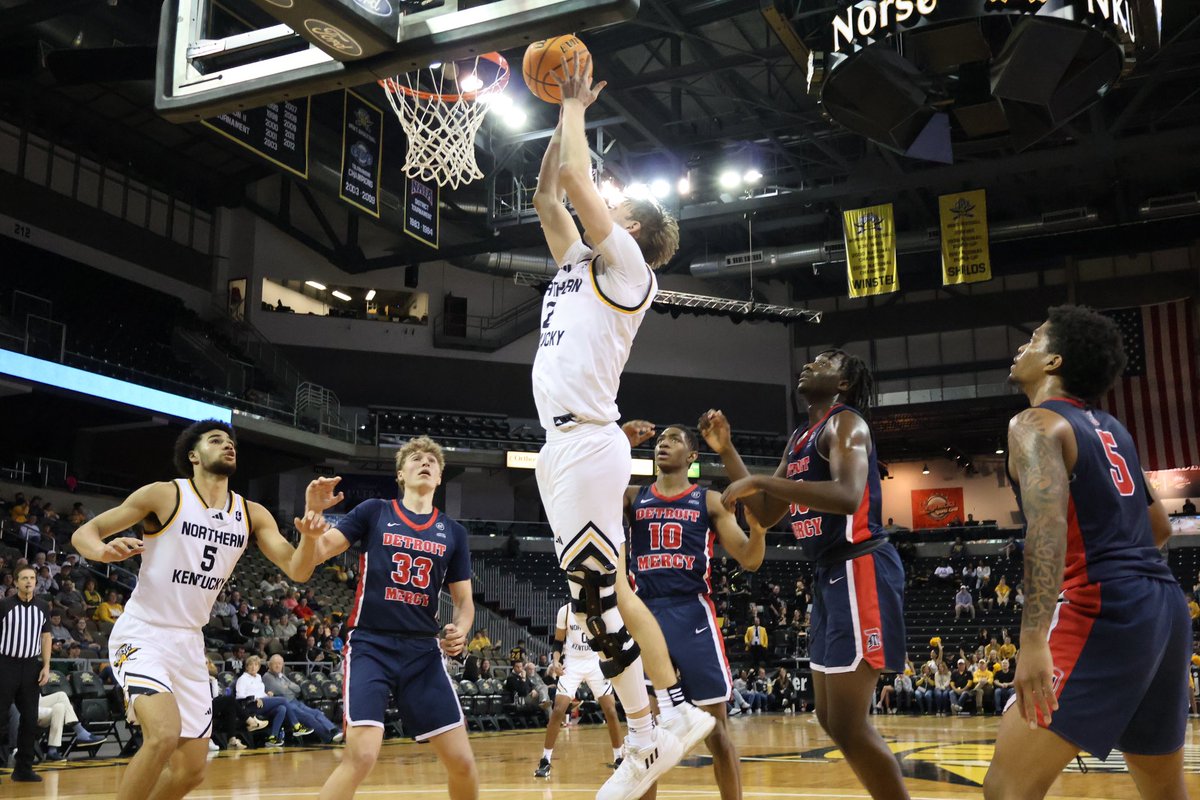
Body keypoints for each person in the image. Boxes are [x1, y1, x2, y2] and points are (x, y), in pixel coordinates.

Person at [529, 51, 708, 800]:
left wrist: (573, 105)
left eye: (615, 203)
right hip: (558, 445)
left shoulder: (631, 268)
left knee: (595, 597)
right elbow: (549, 193)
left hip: (589, 443)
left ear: (629, 227)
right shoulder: (578, 263)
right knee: (592, 598)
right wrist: (556, 113)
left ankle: (650, 731)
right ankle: (653, 723)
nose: (605, 201)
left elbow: (577, 180)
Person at [983, 306, 1189, 800]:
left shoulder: (1033, 423)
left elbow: (1047, 526)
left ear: (1053, 361)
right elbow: (1159, 526)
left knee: (1006, 790)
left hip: (1104, 607)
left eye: (1032, 338)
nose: (1021, 347)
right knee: (1164, 791)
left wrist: (1033, 641)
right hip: (1164, 608)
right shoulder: (1112, 428)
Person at [71, 420, 320, 800]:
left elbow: (299, 568)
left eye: (231, 440)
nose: (228, 445)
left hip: (189, 642)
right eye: (216, 440)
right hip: (144, 632)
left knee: (191, 772)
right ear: (193, 456)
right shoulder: (164, 495)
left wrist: (310, 536)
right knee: (163, 736)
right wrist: (102, 551)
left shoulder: (252, 513)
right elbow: (83, 533)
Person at [701, 347, 908, 800]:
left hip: (861, 565)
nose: (811, 364)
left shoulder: (846, 423)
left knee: (850, 723)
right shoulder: (800, 435)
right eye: (810, 359)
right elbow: (767, 512)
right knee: (831, 720)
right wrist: (728, 451)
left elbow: (849, 495)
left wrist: (762, 481)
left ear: (844, 383)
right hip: (829, 572)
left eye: (825, 361)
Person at [291, 436, 478, 800]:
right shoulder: (375, 511)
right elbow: (320, 552)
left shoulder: (454, 533)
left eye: (432, 461)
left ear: (439, 478)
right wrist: (312, 532)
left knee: (463, 762)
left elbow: (464, 601)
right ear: (400, 474)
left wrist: (463, 628)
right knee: (361, 756)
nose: (425, 463)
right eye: (415, 459)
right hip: (370, 645)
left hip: (423, 652)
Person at [624, 423, 768, 800]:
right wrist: (621, 442)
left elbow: (750, 560)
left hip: (692, 615)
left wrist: (758, 532)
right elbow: (589, 489)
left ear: (692, 456)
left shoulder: (709, 500)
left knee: (715, 731)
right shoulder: (631, 497)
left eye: (673, 440)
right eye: (659, 441)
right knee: (647, 738)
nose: (663, 445)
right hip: (645, 614)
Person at [535, 601, 625, 778]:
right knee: (558, 710)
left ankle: (619, 758)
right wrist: (555, 661)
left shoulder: (599, 608)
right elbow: (558, 642)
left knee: (611, 711)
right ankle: (545, 760)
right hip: (573, 664)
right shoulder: (566, 611)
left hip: (595, 662)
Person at [0, 565, 51, 783]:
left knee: (30, 719)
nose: (29, 582)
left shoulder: (42, 606)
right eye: (24, 578)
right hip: (5, 664)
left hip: (31, 666)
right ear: (16, 582)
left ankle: (23, 768)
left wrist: (46, 666)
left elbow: (46, 636)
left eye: (32, 578)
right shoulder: (4, 606)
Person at [235, 655, 313, 746]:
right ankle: (296, 726)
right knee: (283, 700)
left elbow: (260, 692)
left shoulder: (258, 677)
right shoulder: (242, 679)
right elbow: (239, 696)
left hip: (262, 703)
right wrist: (256, 699)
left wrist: (267, 694)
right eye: (251, 665)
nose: (253, 667)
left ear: (259, 667)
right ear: (247, 666)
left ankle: (273, 737)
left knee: (282, 708)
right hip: (251, 706)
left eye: (256, 665)